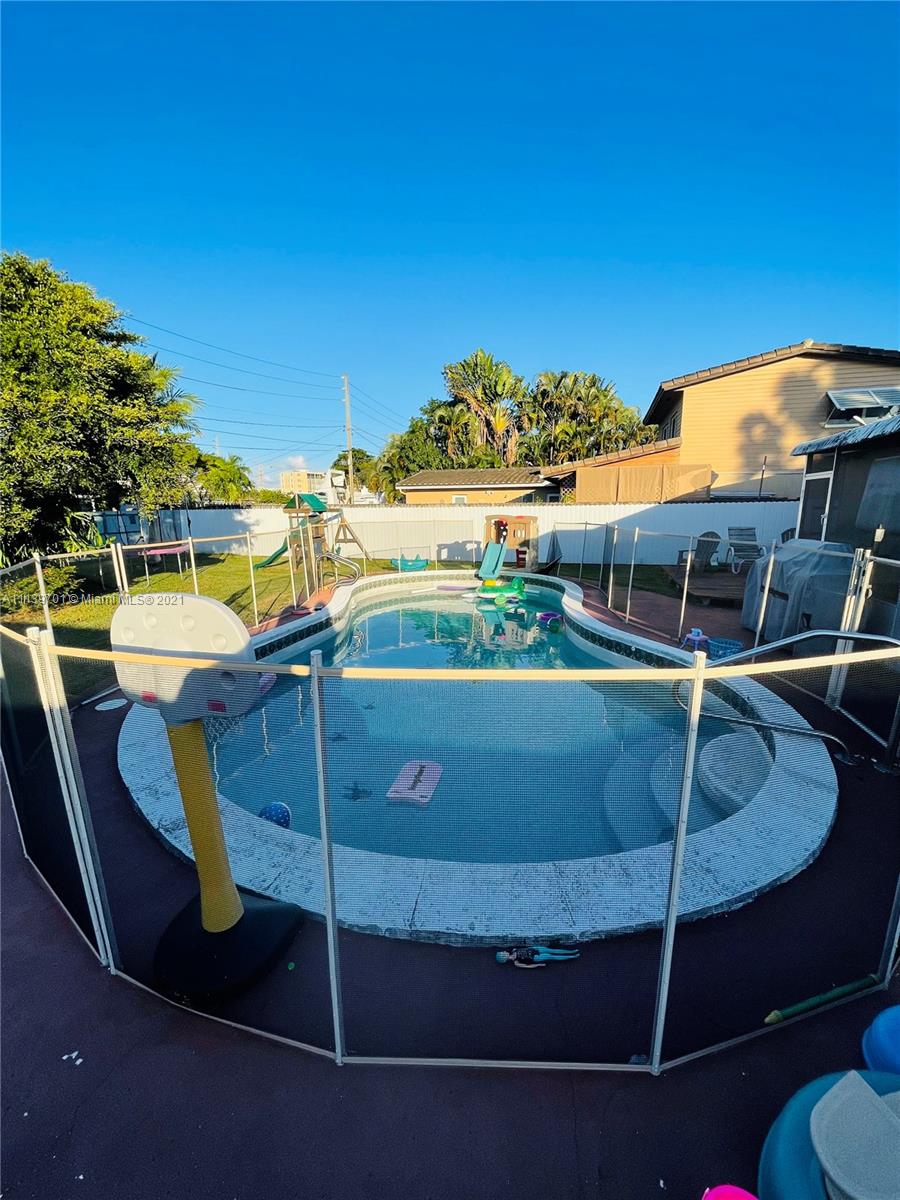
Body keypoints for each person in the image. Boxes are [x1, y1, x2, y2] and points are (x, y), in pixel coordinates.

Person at [495, 945, 580, 968]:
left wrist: (534, 947)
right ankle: (572, 956)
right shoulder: (516, 963)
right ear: (504, 958)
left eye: (503, 951)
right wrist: (538, 965)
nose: (504, 951)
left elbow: (525, 948)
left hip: (535, 950)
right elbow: (528, 966)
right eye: (503, 953)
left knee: (552, 950)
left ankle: (571, 951)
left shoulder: (514, 950)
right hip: (535, 958)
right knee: (552, 956)